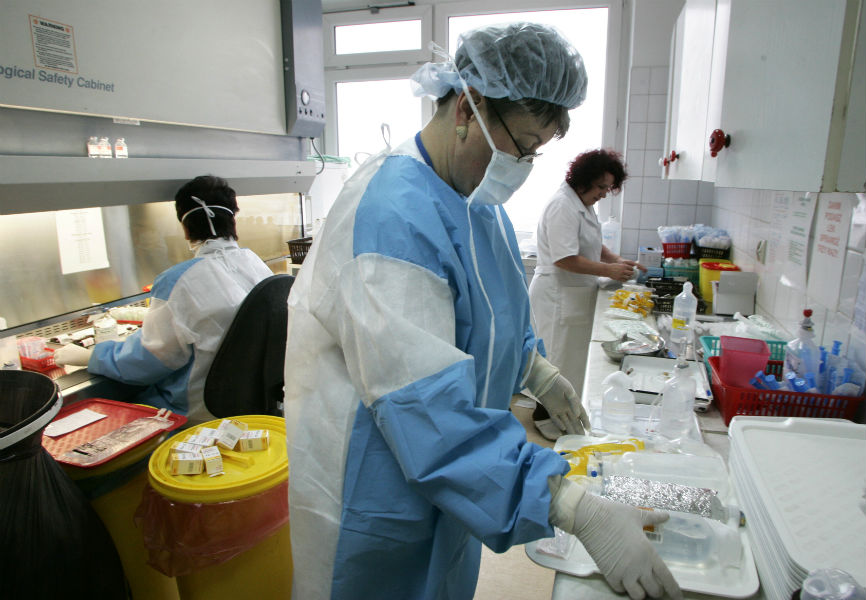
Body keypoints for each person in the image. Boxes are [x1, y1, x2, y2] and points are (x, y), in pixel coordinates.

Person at [282, 22, 681, 600]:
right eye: (522, 144)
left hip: (457, 482)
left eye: (536, 151)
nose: (522, 162)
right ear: (468, 108)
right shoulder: (393, 215)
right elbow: (422, 405)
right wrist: (570, 505)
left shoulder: (477, 202)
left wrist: (535, 371)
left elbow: (492, 322)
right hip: (375, 490)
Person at [54, 175, 273, 424]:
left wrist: (92, 356)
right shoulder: (255, 263)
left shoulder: (177, 281)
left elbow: (148, 360)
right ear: (233, 219)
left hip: (199, 411)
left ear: (185, 228)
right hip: (253, 402)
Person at [528, 149, 646, 440]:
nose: (604, 194)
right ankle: (545, 421)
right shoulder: (562, 206)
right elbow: (564, 258)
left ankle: (564, 419)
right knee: (556, 361)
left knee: (570, 363)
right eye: (601, 187)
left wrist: (616, 261)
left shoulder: (582, 203)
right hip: (557, 295)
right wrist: (608, 270)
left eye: (608, 188)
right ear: (583, 180)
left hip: (574, 294)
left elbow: (593, 243)